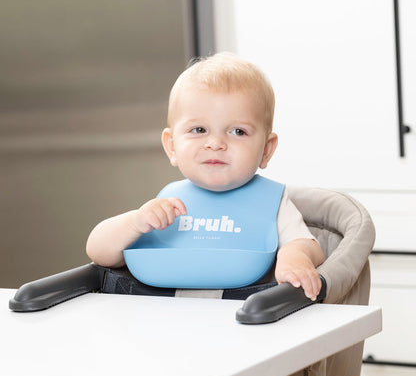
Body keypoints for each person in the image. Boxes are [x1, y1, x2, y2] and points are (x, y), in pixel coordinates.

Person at [86, 53, 324, 300]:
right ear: (172, 146)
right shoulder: (167, 202)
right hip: (162, 318)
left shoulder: (272, 200)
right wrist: (135, 222)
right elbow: (98, 252)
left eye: (238, 131)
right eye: (199, 130)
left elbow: (309, 245)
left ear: (266, 149)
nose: (215, 143)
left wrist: (293, 256)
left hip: (245, 315)